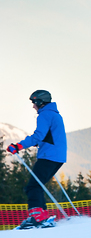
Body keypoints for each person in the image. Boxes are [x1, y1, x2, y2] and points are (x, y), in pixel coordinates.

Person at [7, 90, 67, 229]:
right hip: (58, 156)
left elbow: (39, 135)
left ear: (41, 102)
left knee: (32, 186)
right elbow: (49, 136)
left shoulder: (44, 115)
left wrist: (18, 146)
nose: (33, 106)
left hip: (48, 156)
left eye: (34, 102)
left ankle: (36, 217)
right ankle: (42, 215)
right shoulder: (55, 115)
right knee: (37, 185)